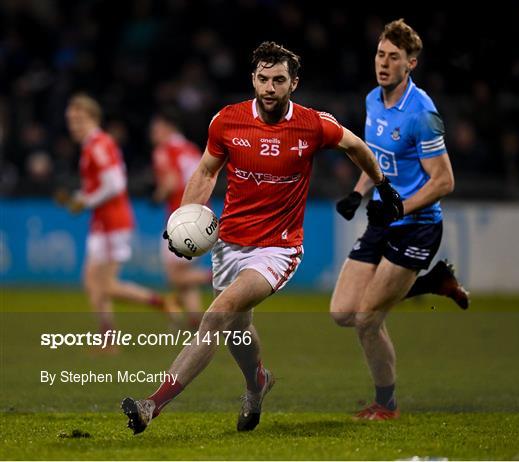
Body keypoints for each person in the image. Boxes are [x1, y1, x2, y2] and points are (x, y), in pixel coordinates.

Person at [121, 41, 403, 434]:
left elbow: (356, 145)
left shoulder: (313, 124)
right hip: (230, 244)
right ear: (253, 79)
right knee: (238, 326)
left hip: (278, 247)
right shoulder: (227, 121)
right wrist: (182, 222)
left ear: (294, 83)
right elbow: (205, 173)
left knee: (217, 316)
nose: (270, 87)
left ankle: (152, 405)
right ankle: (257, 384)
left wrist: (381, 184)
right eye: (264, 79)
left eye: (279, 80)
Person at [331, 19, 470, 421]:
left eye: (394, 57)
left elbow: (444, 180)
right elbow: (375, 159)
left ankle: (386, 405)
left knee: (367, 319)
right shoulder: (374, 99)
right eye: (380, 54)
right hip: (384, 217)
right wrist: (359, 193)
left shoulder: (422, 113)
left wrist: (398, 207)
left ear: (411, 63)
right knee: (342, 312)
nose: (384, 63)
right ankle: (434, 282)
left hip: (418, 225)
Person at [60, 93, 179, 341]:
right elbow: (102, 184)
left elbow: (115, 184)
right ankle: (108, 337)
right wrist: (82, 196)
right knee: (93, 282)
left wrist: (86, 201)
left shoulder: (99, 145)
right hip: (103, 223)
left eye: (79, 119)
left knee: (105, 285)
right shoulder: (94, 145)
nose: (74, 125)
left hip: (113, 223)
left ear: (93, 118)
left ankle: (162, 303)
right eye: (71, 120)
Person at [150, 107, 212, 330]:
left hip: (181, 219)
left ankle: (214, 276)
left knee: (174, 277)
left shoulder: (165, 150)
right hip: (201, 216)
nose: (153, 133)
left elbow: (171, 181)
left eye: (156, 128)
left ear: (167, 128)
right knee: (184, 274)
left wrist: (157, 196)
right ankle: (195, 321)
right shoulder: (191, 149)